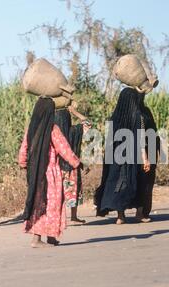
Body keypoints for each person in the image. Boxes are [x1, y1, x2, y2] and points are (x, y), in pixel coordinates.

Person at [19, 97, 81, 248]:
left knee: (38, 201)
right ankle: (37, 239)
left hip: (35, 172)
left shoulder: (31, 128)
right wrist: (76, 162)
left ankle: (51, 237)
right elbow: (64, 148)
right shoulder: (52, 129)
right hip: (50, 173)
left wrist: (24, 164)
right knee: (50, 204)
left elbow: (23, 150)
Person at [94, 87, 159, 225]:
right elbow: (141, 138)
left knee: (119, 183)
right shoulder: (138, 116)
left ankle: (120, 216)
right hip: (135, 157)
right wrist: (145, 158)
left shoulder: (115, 116)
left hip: (117, 157)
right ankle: (140, 214)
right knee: (140, 182)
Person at [54, 101, 92, 225]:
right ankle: (74, 217)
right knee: (73, 190)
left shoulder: (53, 132)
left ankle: (59, 218)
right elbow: (88, 123)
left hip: (56, 166)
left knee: (58, 192)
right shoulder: (74, 131)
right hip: (72, 164)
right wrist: (74, 112)